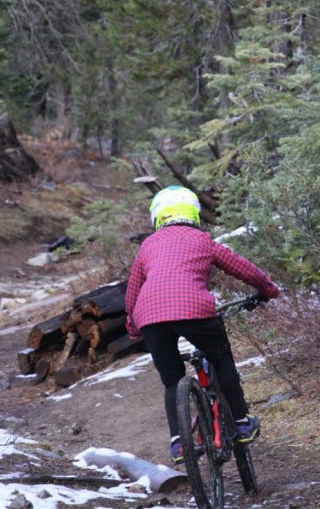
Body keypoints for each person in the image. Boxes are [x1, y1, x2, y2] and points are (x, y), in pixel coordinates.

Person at [124, 185, 280, 464]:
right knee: (220, 358)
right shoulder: (202, 239)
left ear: (157, 218)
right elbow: (242, 268)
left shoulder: (148, 245)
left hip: (149, 316)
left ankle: (179, 444)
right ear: (194, 214)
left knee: (171, 381)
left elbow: (133, 291)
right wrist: (267, 289)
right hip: (193, 309)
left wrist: (133, 326)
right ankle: (242, 421)